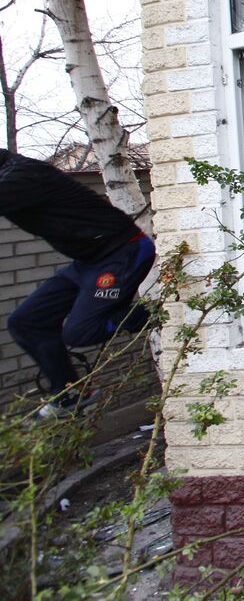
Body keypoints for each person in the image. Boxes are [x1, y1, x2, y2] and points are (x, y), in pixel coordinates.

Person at [1, 149, 155, 418]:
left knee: (80, 332)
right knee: (25, 321)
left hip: (123, 251)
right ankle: (69, 392)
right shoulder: (12, 175)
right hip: (87, 262)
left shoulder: (24, 175)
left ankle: (156, 312)